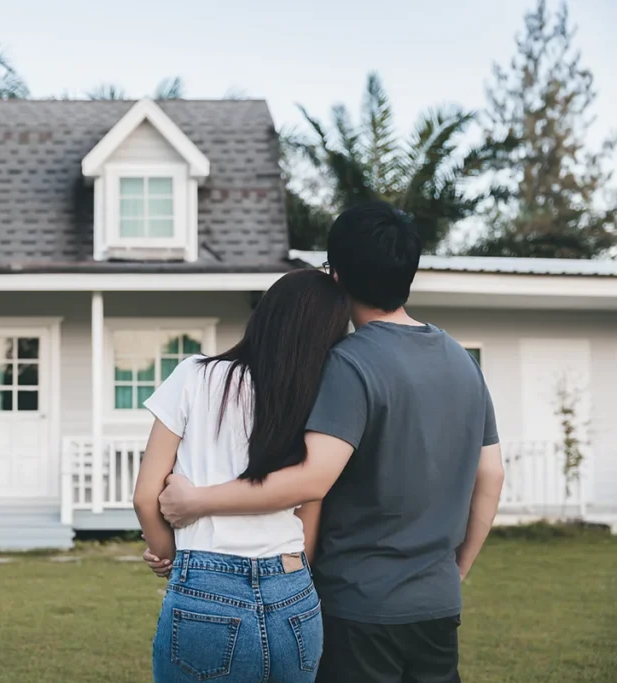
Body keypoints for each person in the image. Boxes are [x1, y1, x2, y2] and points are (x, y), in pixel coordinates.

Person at [145, 201, 506, 683]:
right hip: (436, 605)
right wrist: (454, 573)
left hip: (358, 607)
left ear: (336, 276)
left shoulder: (347, 364)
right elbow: (492, 474)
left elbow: (312, 479)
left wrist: (196, 499)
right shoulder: (463, 361)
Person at [133, 268, 351, 683]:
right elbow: (311, 503)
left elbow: (146, 497)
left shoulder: (194, 375)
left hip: (207, 585)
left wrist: (173, 559)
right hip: (294, 591)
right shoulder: (318, 399)